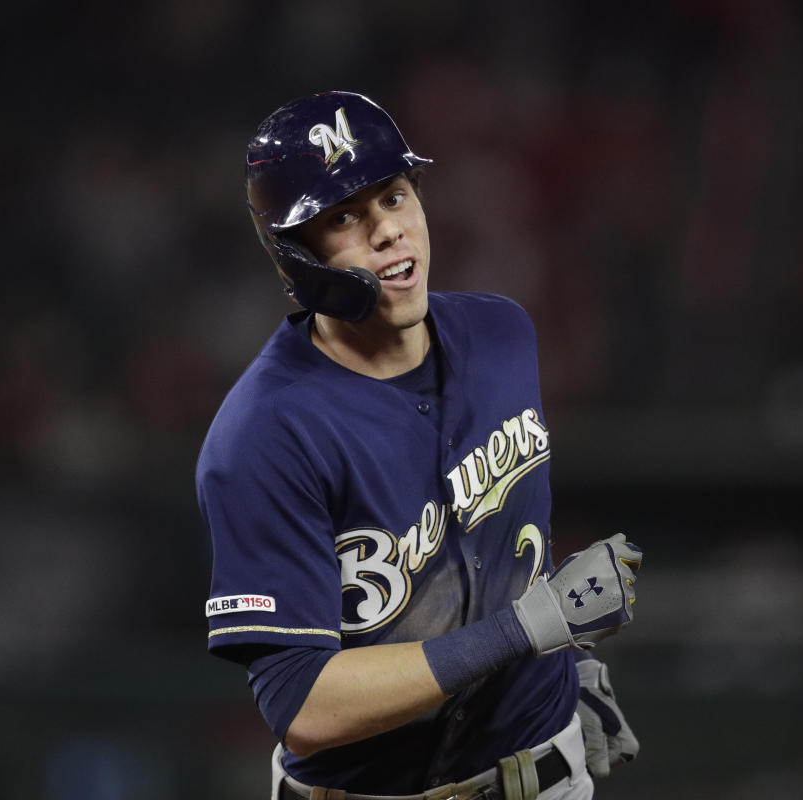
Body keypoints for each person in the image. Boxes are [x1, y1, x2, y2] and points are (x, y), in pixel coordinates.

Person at [196, 90, 645, 800]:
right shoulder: (264, 435)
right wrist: (526, 633)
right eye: (345, 217)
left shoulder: (503, 337)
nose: (387, 232)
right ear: (294, 254)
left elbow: (506, 532)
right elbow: (304, 707)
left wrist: (561, 671)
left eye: (396, 197)